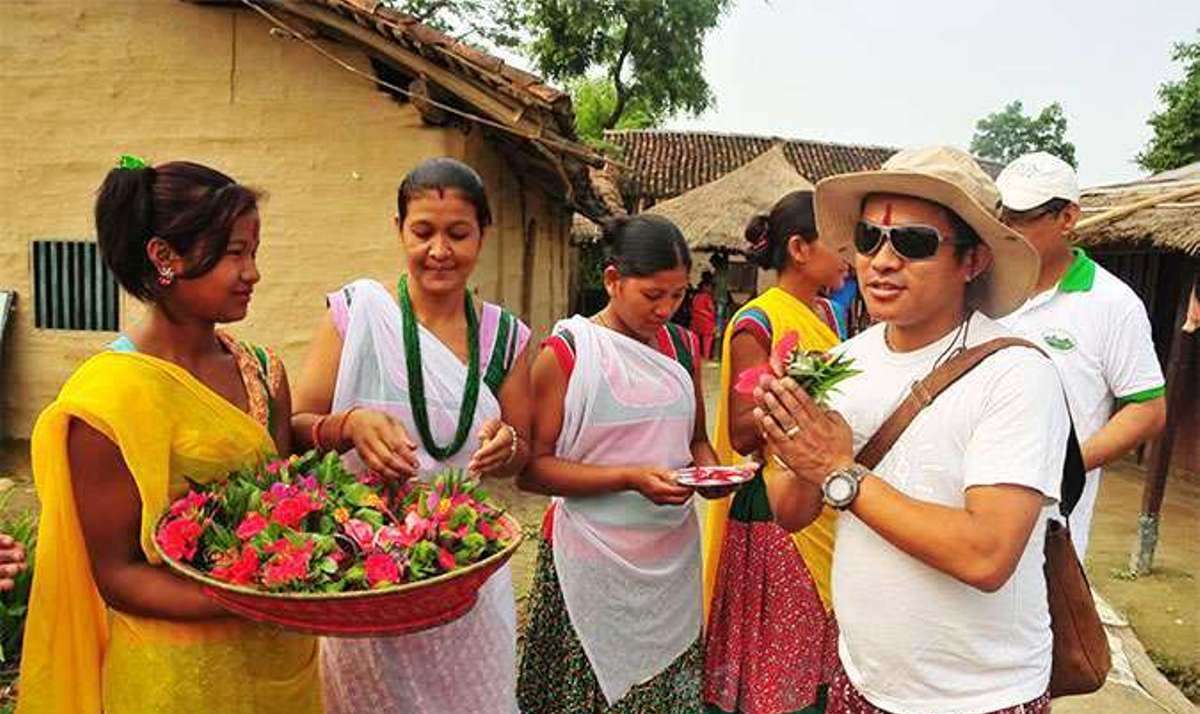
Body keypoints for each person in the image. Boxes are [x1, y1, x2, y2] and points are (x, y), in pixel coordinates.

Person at [758, 147, 1069, 714]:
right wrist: (790, 440)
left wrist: (838, 471)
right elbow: (792, 511)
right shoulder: (839, 362)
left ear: (971, 261)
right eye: (869, 237)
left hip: (977, 698)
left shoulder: (1017, 374)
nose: (881, 259)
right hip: (859, 679)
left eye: (914, 243)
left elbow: (987, 555)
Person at [18, 158, 321, 714]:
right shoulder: (109, 399)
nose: (253, 272)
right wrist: (254, 600)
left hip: (280, 667)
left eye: (254, 252)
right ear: (165, 257)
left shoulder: (261, 370)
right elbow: (118, 575)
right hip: (176, 680)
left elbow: (281, 505)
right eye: (234, 253)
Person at [291, 157, 531, 713]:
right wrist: (348, 426)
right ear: (399, 229)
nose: (439, 251)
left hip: (465, 572)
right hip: (364, 573)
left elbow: (524, 452)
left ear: (484, 234)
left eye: (458, 233)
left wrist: (508, 447)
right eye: (423, 232)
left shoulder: (506, 338)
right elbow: (297, 427)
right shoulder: (356, 316)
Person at [517, 214, 719, 713]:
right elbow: (535, 469)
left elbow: (695, 439)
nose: (666, 309)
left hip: (669, 560)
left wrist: (711, 472)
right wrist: (628, 479)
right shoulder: (567, 353)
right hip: (589, 559)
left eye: (678, 295)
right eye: (653, 295)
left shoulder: (680, 347)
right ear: (612, 280)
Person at [702, 190, 848, 714]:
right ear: (800, 249)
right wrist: (798, 404)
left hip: (825, 496)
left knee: (817, 652)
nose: (849, 255)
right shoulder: (757, 322)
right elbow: (743, 432)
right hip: (774, 509)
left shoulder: (830, 315)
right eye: (838, 243)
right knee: (777, 659)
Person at [996, 152, 1166, 557]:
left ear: (1067, 218)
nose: (1007, 228)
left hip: (1050, 522)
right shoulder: (981, 286)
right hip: (967, 506)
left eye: (1024, 216)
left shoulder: (1112, 304)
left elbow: (1147, 409)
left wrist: (1063, 467)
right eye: (1003, 213)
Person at [692, 271, 718, 359]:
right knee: (707, 340)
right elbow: (712, 309)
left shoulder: (696, 296)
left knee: (696, 340)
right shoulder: (707, 297)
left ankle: (697, 356)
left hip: (696, 321)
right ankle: (706, 356)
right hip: (707, 322)